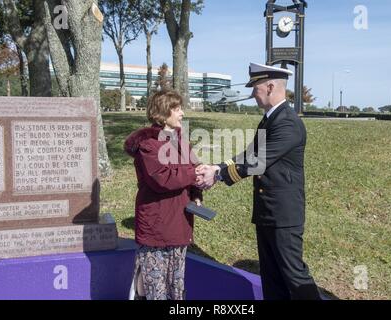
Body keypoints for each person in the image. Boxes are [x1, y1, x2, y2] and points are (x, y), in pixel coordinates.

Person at [196, 62, 321, 300]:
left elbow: (258, 161)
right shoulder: (269, 119)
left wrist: (219, 175)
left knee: (294, 276)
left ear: (271, 86)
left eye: (256, 87)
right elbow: (249, 154)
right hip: (267, 211)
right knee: (272, 276)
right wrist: (217, 167)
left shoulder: (287, 123)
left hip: (283, 214)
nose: (253, 93)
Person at [124, 90, 202, 300]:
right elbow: (163, 179)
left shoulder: (181, 142)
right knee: (154, 288)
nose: (182, 113)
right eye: (177, 109)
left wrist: (197, 191)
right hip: (156, 228)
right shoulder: (149, 145)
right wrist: (195, 173)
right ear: (162, 112)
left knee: (176, 287)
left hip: (179, 224)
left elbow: (192, 170)